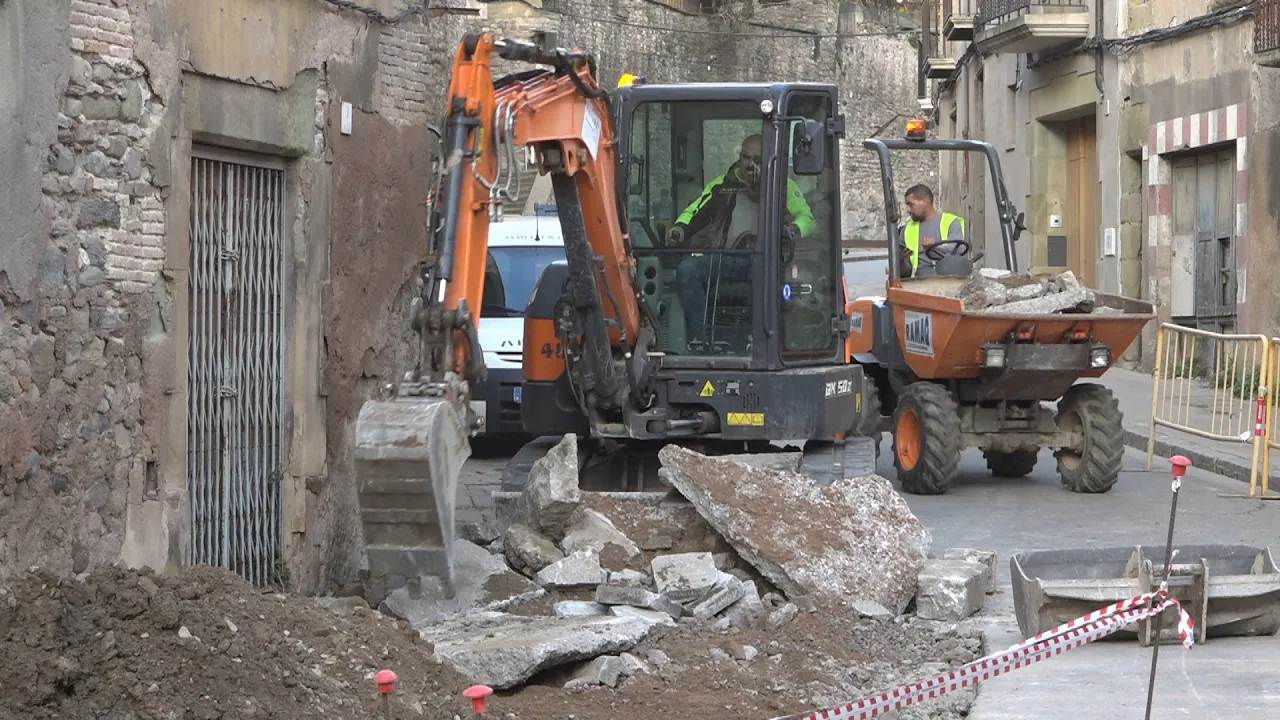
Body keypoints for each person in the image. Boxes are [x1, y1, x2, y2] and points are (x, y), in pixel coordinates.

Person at [666, 133, 816, 340]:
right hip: (724, 258)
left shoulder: (783, 187)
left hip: (764, 260)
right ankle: (701, 338)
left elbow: (807, 218)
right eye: (746, 157)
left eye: (757, 159)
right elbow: (694, 211)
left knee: (763, 271)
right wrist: (680, 228)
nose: (750, 164)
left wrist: (793, 230)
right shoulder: (722, 185)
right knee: (687, 270)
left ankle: (756, 339)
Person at [897, 184, 965, 278]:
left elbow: (958, 249)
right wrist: (899, 261)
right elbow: (905, 272)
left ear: (925, 201)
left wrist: (935, 247)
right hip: (917, 283)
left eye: (911, 204)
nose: (908, 210)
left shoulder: (951, 222)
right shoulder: (907, 230)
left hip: (947, 280)